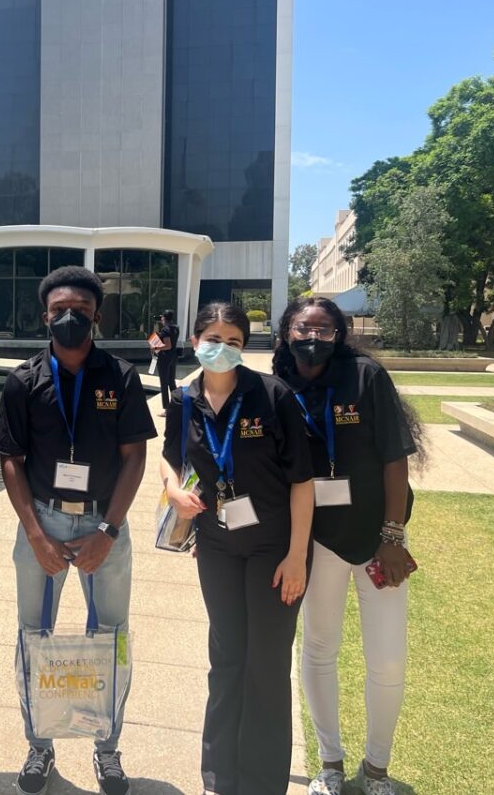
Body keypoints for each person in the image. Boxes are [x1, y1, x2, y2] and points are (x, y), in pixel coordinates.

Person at [0, 266, 157, 795]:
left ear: (97, 318)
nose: (69, 319)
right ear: (44, 316)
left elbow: (135, 456)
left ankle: (107, 748)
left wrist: (109, 529)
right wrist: (36, 534)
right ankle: (39, 744)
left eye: (80, 312)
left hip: (101, 523)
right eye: (59, 311)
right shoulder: (24, 380)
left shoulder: (121, 377)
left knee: (111, 639)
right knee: (32, 636)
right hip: (42, 519)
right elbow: (11, 460)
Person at [160, 302, 315, 795]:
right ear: (195, 340)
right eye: (213, 337)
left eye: (233, 341)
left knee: (266, 665)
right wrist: (171, 490)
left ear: (245, 347)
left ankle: (263, 782)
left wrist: (296, 557)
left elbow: (303, 483)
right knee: (226, 659)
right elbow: (169, 459)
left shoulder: (273, 395)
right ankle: (219, 777)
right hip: (218, 548)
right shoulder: (185, 400)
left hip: (274, 549)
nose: (221, 348)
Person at [272, 297, 422, 795]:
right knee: (318, 648)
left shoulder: (365, 377)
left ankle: (376, 770)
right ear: (286, 331)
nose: (312, 337)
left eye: (324, 329)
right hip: (316, 540)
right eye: (302, 327)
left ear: (339, 334)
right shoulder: (277, 384)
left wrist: (393, 535)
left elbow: (395, 458)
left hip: (379, 540)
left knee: (387, 658)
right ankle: (330, 765)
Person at [152, 309, 180, 417]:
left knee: (164, 384)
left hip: (164, 359)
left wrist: (156, 346)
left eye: (162, 318)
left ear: (163, 318)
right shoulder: (176, 328)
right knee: (172, 383)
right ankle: (177, 405)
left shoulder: (165, 330)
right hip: (173, 357)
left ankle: (167, 409)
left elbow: (168, 345)